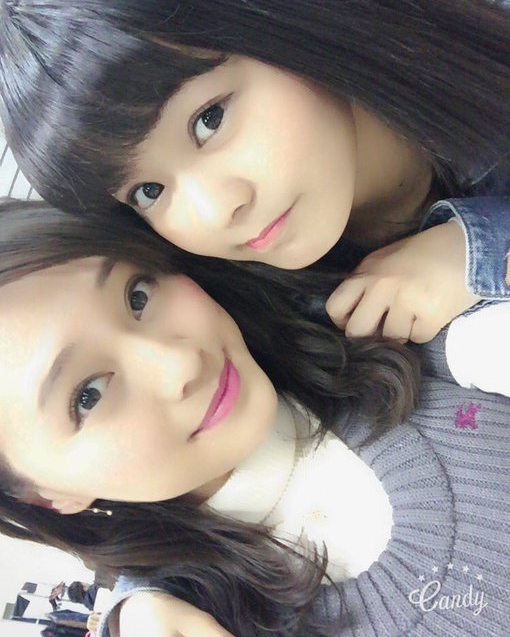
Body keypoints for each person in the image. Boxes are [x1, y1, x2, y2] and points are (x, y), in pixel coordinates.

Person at [0, 199, 508, 637]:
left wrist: (477, 251)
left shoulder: (382, 333)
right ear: (47, 496)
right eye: (88, 395)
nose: (180, 363)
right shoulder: (201, 617)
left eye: (138, 295)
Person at [1, 0, 510, 346]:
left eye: (209, 120)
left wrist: (479, 253)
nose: (214, 211)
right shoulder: (279, 326)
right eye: (148, 191)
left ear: (283, 17)